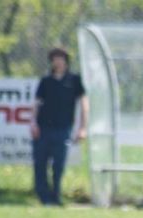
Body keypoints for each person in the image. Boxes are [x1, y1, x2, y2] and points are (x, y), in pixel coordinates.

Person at [30, 47, 89, 206]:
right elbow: (36, 103)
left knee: (58, 165)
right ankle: (44, 197)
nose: (58, 61)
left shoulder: (74, 80)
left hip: (63, 129)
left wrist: (82, 128)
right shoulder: (46, 81)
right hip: (43, 129)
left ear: (66, 60)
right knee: (40, 163)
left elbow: (84, 103)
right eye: (55, 58)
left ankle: (56, 197)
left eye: (61, 58)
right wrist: (33, 122)